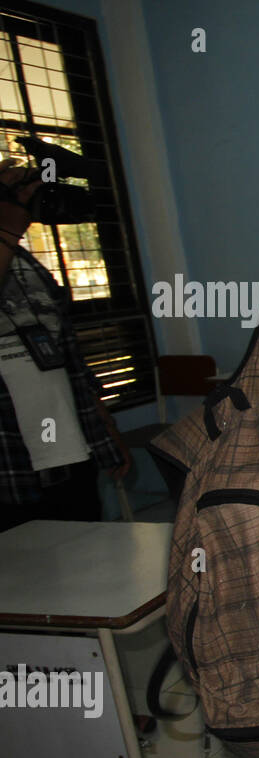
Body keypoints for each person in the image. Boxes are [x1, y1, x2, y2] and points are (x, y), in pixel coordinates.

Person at [0, 158, 129, 533]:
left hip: (69, 454)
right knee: (22, 586)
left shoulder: (27, 265)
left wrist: (106, 433)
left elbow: (69, 361)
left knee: (89, 568)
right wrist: (7, 230)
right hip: (11, 469)